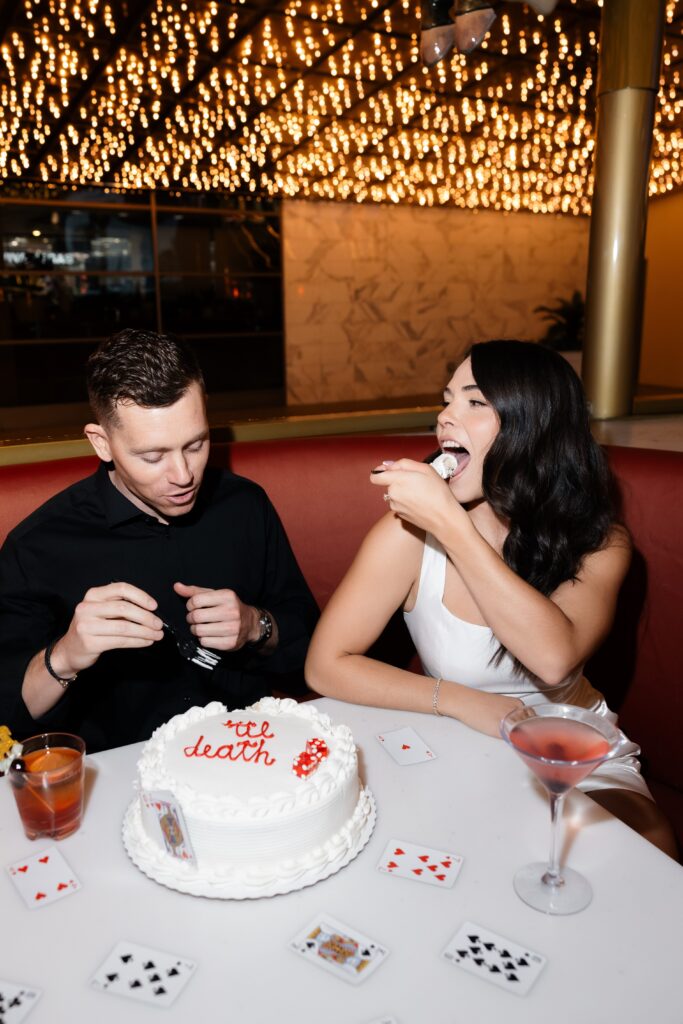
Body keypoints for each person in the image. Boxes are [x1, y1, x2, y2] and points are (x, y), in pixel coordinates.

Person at [305, 340, 677, 858]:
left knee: (640, 858)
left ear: (534, 427)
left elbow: (552, 661)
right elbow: (325, 665)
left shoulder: (601, 542)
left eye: (475, 402)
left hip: (574, 750)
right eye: (447, 399)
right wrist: (463, 702)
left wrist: (451, 526)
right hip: (459, 738)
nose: (444, 416)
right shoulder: (405, 536)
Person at [0, 328, 318, 752]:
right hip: (118, 775)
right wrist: (66, 655)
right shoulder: (38, 546)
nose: (183, 475)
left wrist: (254, 626)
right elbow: (10, 715)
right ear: (102, 443)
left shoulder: (244, 505)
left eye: (196, 444)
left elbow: (308, 641)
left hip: (249, 753)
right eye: (153, 456)